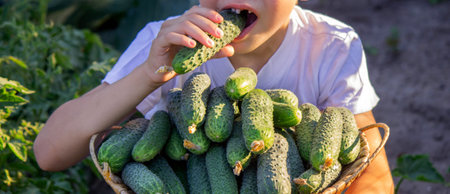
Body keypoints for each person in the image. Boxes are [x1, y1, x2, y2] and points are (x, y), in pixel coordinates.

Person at [34, 0, 394, 193]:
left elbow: (368, 171)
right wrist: (149, 74)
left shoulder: (330, 45)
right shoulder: (166, 42)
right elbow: (48, 153)